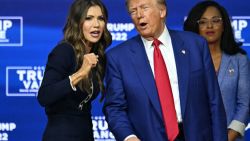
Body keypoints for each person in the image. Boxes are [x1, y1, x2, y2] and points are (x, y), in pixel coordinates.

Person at [103, 0, 228, 141]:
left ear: (162, 12)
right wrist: (129, 137)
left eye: (144, 8)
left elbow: (214, 101)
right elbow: (115, 109)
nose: (138, 15)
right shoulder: (118, 57)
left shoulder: (196, 45)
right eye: (133, 11)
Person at [37, 0, 112, 140]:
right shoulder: (64, 51)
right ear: (77, 23)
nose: (96, 24)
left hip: (85, 134)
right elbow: (44, 96)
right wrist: (80, 74)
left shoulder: (99, 58)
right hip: (60, 136)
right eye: (88, 18)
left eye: (100, 18)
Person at [184, 1, 250, 141]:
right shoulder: (184, 60)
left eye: (215, 20)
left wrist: (227, 137)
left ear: (224, 25)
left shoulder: (240, 59)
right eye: (203, 22)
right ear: (196, 27)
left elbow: (244, 104)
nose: (210, 26)